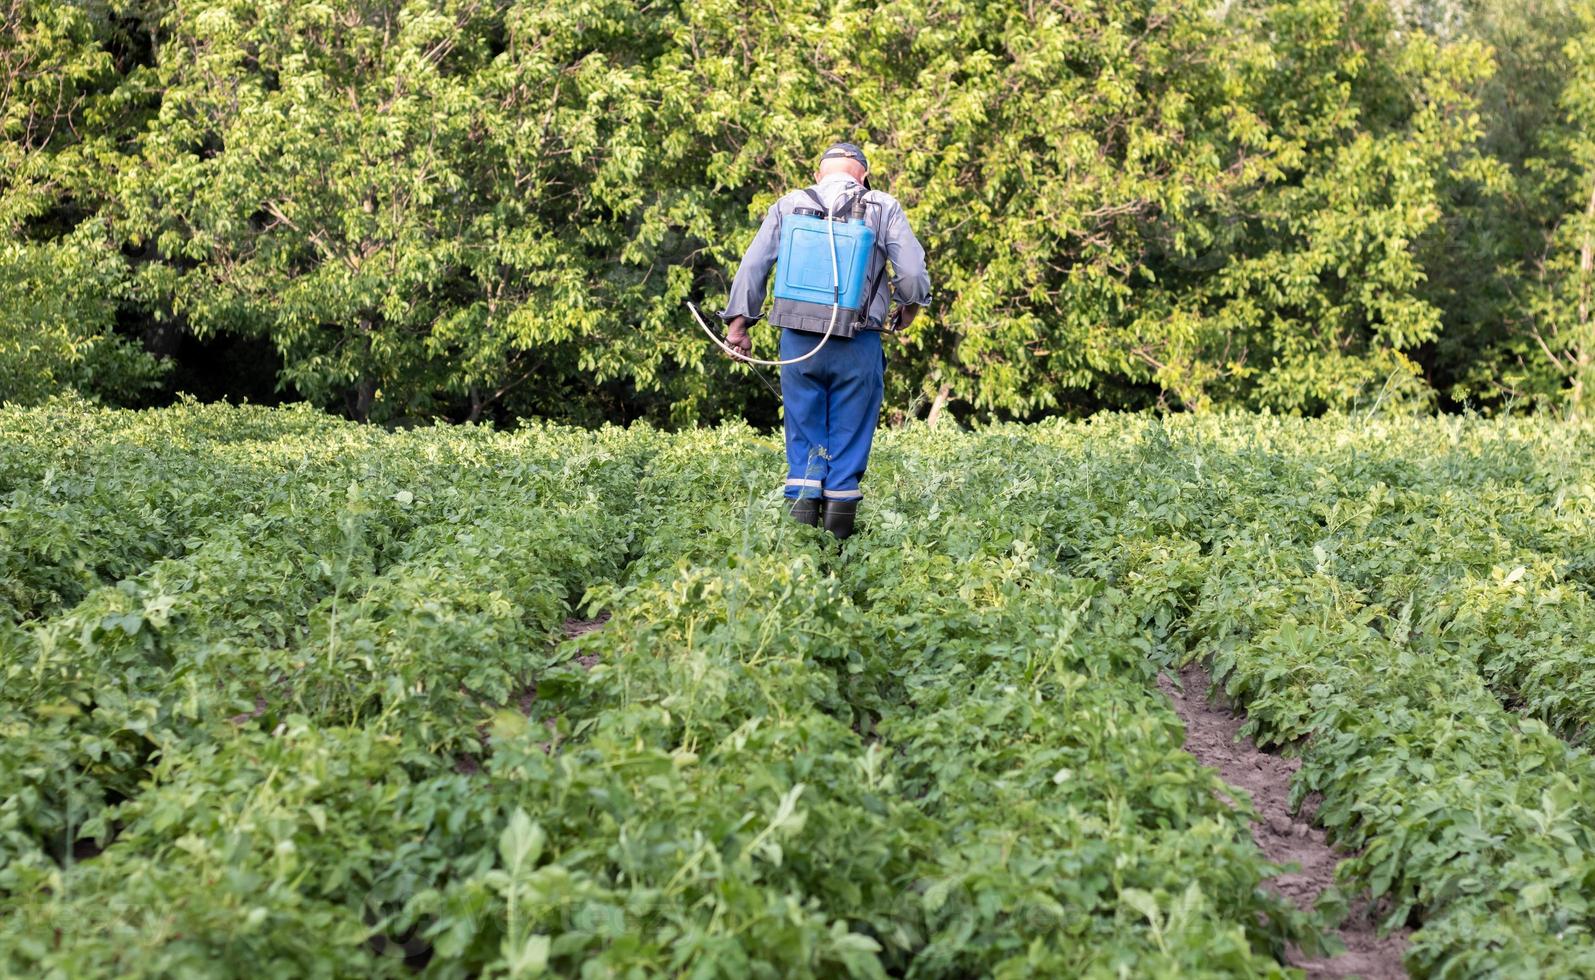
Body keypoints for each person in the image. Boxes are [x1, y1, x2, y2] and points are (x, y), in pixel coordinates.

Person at [719, 141, 931, 539]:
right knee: (849, 443)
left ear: (819, 175)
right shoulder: (883, 206)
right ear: (863, 175)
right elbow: (914, 274)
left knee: (804, 439)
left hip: (799, 345)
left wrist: (738, 328)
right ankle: (839, 556)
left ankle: (801, 552)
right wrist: (909, 308)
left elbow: (753, 267)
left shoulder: (789, 203)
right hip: (859, 343)